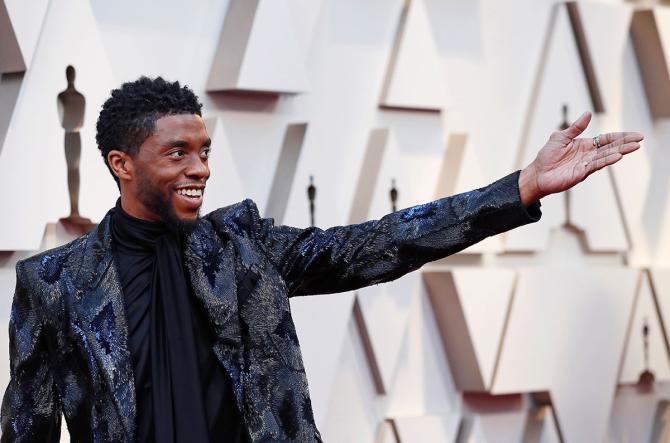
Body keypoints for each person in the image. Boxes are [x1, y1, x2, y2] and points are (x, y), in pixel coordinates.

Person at [0, 77, 642, 442]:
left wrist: (520, 189)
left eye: (204, 149)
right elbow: (25, 427)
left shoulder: (245, 248)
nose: (200, 167)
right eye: (177, 153)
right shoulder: (55, 283)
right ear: (122, 164)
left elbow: (379, 245)